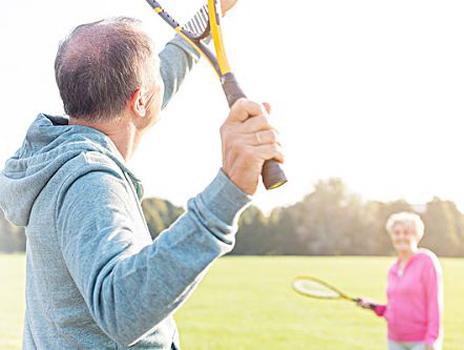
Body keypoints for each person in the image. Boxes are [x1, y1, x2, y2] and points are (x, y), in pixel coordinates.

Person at [0, 2, 284, 349]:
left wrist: (210, 13)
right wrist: (229, 191)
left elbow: (160, 75)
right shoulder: (89, 182)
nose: (161, 78)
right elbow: (122, 308)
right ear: (139, 102)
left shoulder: (58, 156)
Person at [357, 212, 444, 350]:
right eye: (397, 233)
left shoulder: (426, 261)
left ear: (416, 235)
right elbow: (396, 307)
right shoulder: (393, 269)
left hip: (421, 342)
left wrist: (432, 339)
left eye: (406, 232)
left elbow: (434, 303)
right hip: (395, 340)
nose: (401, 236)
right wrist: (375, 306)